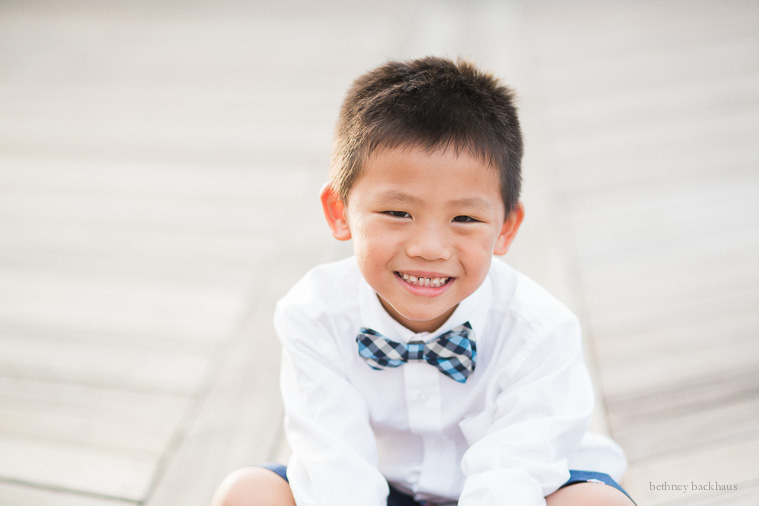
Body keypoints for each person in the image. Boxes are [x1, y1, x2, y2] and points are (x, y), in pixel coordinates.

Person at [212, 56, 635, 506]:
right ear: (339, 212)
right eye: (398, 213)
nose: (429, 247)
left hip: (522, 490)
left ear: (506, 228)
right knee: (247, 493)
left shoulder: (539, 330)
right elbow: (335, 468)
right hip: (376, 486)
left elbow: (512, 475)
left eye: (465, 218)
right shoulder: (315, 314)